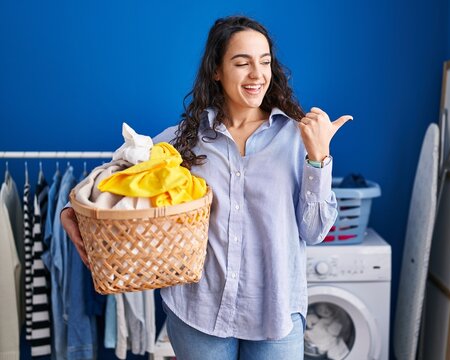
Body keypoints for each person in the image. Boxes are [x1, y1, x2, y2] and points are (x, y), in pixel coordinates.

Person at [61, 15, 352, 360]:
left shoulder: (297, 138)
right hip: (199, 312)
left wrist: (319, 157)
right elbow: (119, 173)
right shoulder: (186, 139)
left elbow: (315, 230)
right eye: (242, 63)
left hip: (276, 313)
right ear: (216, 70)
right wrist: (70, 210)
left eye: (265, 62)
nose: (257, 75)